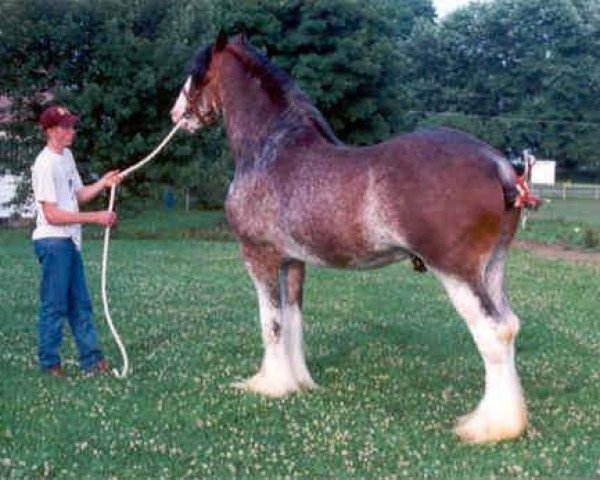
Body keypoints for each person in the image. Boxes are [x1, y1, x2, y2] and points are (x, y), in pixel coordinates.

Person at [31, 105, 121, 377]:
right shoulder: (44, 164)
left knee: (80, 304)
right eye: (65, 127)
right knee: (55, 305)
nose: (72, 131)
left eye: (72, 125)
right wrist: (95, 218)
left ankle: (92, 362)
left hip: (69, 242)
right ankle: (50, 364)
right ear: (49, 131)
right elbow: (51, 214)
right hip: (53, 242)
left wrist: (103, 183)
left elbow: (78, 195)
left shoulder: (66, 157)